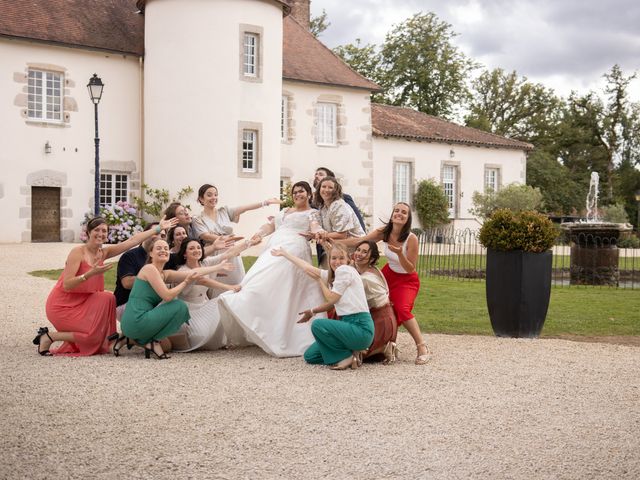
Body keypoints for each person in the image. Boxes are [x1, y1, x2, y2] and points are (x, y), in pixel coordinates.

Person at [34, 216, 178, 356]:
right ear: (88, 232)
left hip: (83, 302)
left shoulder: (104, 253)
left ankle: (112, 338)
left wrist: (158, 228)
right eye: (97, 230)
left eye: (104, 231)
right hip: (62, 305)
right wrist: (89, 274)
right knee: (94, 338)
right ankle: (50, 336)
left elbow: (133, 241)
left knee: (108, 298)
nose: (100, 234)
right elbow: (67, 284)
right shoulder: (77, 252)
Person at [217, 181, 326, 357]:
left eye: (302, 191)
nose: (298, 194)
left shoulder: (312, 213)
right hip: (273, 246)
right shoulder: (284, 212)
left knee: (287, 288)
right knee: (262, 279)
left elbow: (315, 227)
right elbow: (271, 226)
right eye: (295, 192)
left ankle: (285, 331)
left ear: (309, 194)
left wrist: (319, 232)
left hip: (294, 248)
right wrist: (258, 234)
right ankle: (262, 321)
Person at [333, 202, 429, 365]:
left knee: (401, 309)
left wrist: (400, 254)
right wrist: (333, 241)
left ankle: (422, 347)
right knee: (373, 302)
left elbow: (411, 268)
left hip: (407, 278)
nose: (399, 214)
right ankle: (379, 344)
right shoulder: (384, 232)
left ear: (408, 218)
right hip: (388, 273)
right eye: (396, 211)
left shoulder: (411, 239)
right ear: (392, 215)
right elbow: (360, 241)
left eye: (403, 212)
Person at [272, 243, 374, 370]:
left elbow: (331, 299)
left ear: (348, 259)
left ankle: (345, 357)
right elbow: (308, 268)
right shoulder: (335, 275)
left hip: (360, 328)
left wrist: (320, 281)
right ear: (329, 260)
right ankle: (352, 354)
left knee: (317, 325)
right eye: (334, 258)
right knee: (310, 356)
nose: (337, 262)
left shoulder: (345, 270)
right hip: (348, 328)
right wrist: (286, 254)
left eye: (341, 258)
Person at [117, 238, 223, 359]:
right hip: (135, 319)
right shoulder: (149, 269)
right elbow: (167, 296)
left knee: (167, 346)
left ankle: (131, 340)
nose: (163, 250)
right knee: (179, 306)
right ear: (151, 253)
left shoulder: (165, 274)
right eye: (159, 248)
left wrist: (217, 267)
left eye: (166, 248)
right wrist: (185, 283)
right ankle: (140, 339)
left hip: (145, 317)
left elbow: (194, 273)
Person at [191, 183, 281, 294]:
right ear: (201, 199)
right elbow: (205, 235)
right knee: (217, 290)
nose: (213, 198)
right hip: (214, 256)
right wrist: (227, 239)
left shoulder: (224, 211)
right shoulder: (197, 219)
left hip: (233, 254)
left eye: (215, 194)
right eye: (209, 195)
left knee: (237, 287)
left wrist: (265, 202)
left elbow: (245, 208)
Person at [171, 238, 252, 352]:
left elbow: (229, 253)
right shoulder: (183, 270)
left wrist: (249, 242)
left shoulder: (206, 263)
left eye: (198, 247)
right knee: (200, 336)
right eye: (192, 248)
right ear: (185, 253)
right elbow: (203, 280)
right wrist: (229, 287)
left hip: (203, 304)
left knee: (224, 302)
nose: (196, 250)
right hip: (187, 309)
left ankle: (224, 339)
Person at [351, 240, 398, 363]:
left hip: (381, 322)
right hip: (385, 319)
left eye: (364, 252)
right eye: (358, 250)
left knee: (349, 354)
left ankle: (383, 347)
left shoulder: (366, 278)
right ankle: (382, 347)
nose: (359, 254)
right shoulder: (371, 268)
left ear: (371, 259)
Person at [312, 169, 366, 266]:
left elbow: (342, 235)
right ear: (319, 189)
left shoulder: (339, 205)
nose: (326, 190)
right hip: (339, 248)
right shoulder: (323, 207)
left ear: (336, 190)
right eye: (323, 187)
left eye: (330, 187)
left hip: (352, 249)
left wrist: (323, 235)